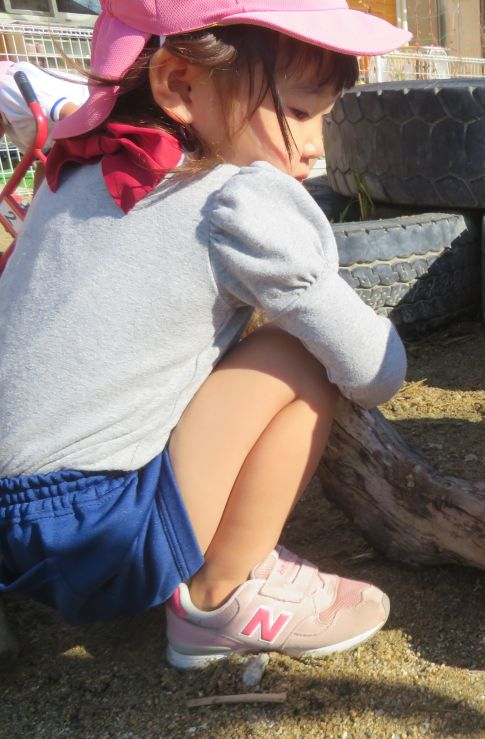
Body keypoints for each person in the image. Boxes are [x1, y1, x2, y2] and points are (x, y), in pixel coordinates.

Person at [0, 0, 411, 670]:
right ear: (180, 85)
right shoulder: (237, 200)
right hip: (95, 532)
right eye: (302, 112)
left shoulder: (80, 162)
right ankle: (219, 601)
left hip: (14, 520)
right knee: (301, 354)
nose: (315, 145)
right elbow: (375, 371)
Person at [0, 60, 89, 152]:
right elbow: (42, 157)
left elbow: (72, 112)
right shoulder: (12, 130)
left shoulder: (9, 88)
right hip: (75, 132)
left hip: (92, 113)